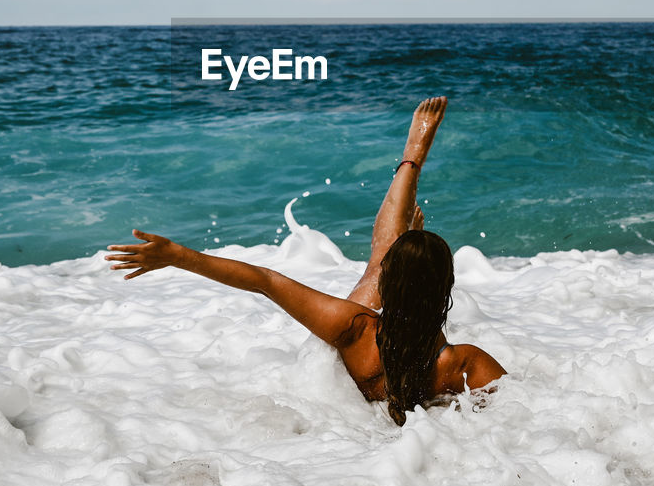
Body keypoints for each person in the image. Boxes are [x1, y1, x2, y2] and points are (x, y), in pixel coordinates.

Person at [106, 96, 506, 425]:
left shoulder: (353, 328)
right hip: (409, 438)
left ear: (388, 287)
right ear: (446, 288)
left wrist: (178, 256)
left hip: (347, 408)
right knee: (396, 259)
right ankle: (411, 240)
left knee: (379, 259)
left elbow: (265, 279)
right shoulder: (461, 363)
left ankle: (411, 160)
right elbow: (522, 417)